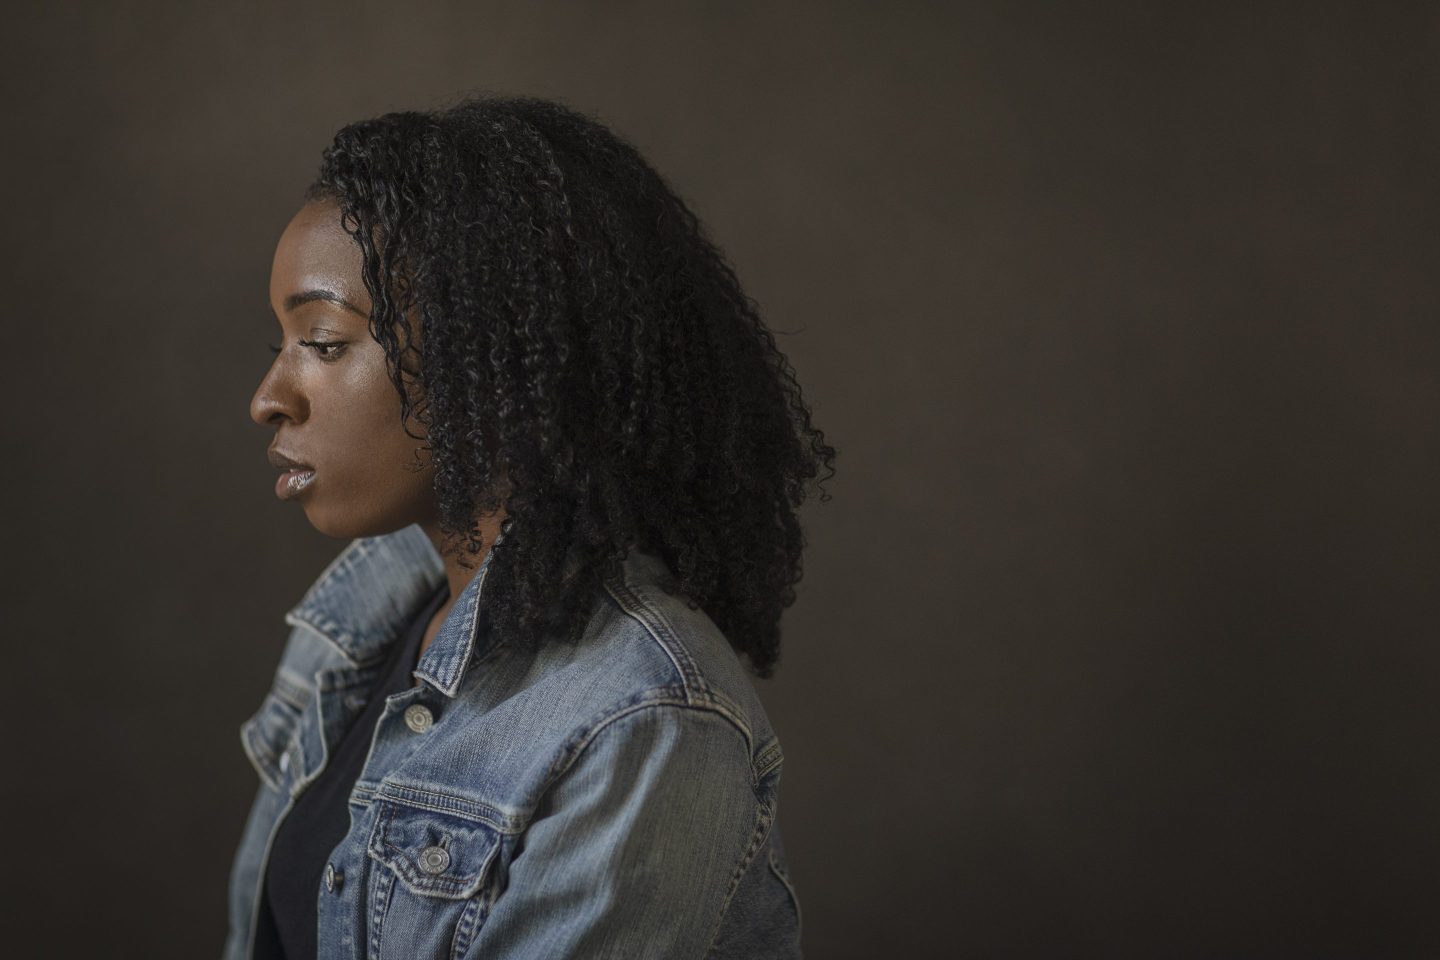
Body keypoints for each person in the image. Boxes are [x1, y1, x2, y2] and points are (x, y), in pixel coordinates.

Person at [222, 94, 835, 960]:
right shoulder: (347, 639)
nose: (268, 397)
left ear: (492, 356)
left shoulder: (641, 715)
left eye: (322, 342)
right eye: (279, 343)